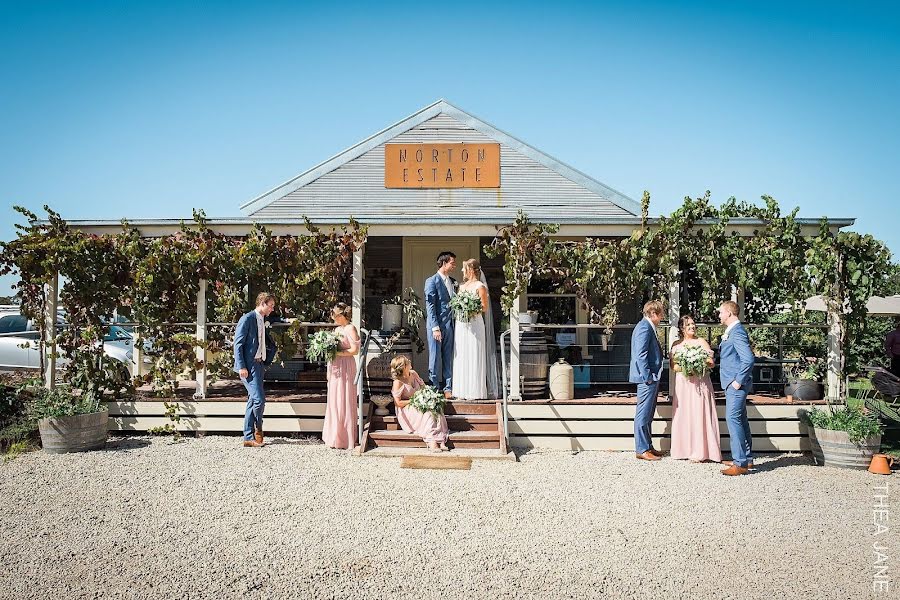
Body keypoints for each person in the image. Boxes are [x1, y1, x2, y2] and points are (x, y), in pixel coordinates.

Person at [669, 315, 722, 463]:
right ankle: (682, 449)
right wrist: (687, 368)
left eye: (693, 324)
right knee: (684, 415)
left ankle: (701, 451)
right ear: (682, 328)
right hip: (683, 384)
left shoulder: (701, 342)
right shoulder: (676, 344)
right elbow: (673, 366)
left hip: (700, 383)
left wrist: (698, 365)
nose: (692, 327)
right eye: (688, 325)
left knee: (700, 414)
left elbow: (711, 363)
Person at [233, 292, 277, 448]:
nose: (272, 309)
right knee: (259, 400)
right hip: (248, 365)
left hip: (259, 364)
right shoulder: (247, 319)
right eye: (270, 306)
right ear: (263, 303)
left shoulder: (263, 319)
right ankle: (258, 427)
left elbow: (275, 320)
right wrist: (241, 366)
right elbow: (237, 344)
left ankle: (248, 437)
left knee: (253, 400)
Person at [717, 300, 755, 476]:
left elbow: (748, 358)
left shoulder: (737, 332)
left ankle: (739, 463)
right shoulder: (732, 332)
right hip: (732, 383)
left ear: (729, 313)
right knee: (741, 419)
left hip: (735, 384)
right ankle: (747, 459)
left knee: (733, 419)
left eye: (721, 312)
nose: (719, 315)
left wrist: (737, 381)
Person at [629, 300, 665, 461]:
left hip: (650, 377)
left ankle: (648, 446)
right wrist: (648, 377)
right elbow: (641, 355)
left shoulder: (648, 327)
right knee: (643, 414)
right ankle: (642, 449)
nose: (662, 316)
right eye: (661, 313)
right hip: (647, 379)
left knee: (649, 413)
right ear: (653, 313)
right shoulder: (644, 327)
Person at [390, 355, 450, 452]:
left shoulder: (413, 374)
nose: (410, 362)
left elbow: (424, 387)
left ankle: (440, 440)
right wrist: (415, 400)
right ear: (404, 366)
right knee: (428, 414)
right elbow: (398, 403)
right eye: (408, 361)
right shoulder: (398, 382)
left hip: (420, 401)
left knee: (436, 409)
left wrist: (429, 397)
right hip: (406, 407)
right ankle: (432, 441)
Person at [322, 303, 360, 450]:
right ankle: (334, 437)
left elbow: (355, 350)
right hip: (335, 366)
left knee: (344, 399)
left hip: (345, 365)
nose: (334, 317)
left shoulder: (350, 328)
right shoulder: (337, 329)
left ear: (343, 315)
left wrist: (338, 353)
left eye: (336, 315)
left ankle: (346, 438)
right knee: (334, 400)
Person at [452, 258, 491, 400]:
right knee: (462, 354)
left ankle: (474, 391)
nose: (462, 271)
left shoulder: (480, 286)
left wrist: (471, 309)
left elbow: (484, 307)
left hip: (475, 324)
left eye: (465, 268)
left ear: (471, 270)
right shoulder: (462, 287)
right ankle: (461, 391)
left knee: (474, 353)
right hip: (462, 324)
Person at [424, 251, 457, 399]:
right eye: (452, 263)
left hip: (450, 325)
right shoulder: (431, 281)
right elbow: (430, 306)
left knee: (448, 357)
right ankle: (434, 388)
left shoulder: (453, 281)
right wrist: (435, 327)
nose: (454, 266)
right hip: (436, 327)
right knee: (435, 357)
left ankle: (447, 388)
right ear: (444, 263)